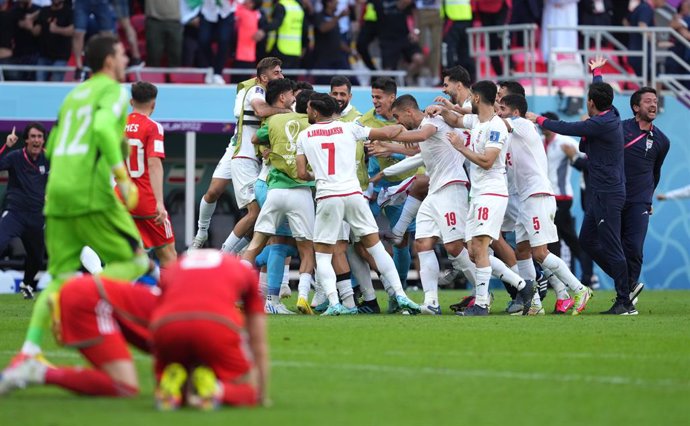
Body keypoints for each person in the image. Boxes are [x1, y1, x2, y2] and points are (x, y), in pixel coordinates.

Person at [3, 35, 150, 372]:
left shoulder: (72, 95)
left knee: (58, 276)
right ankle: (83, 302)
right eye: (122, 53)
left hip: (55, 194)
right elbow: (100, 129)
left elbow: (54, 146)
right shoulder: (112, 91)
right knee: (137, 261)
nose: (127, 58)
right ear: (109, 61)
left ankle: (28, 353)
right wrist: (122, 178)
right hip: (90, 194)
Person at [527, 56, 635, 315]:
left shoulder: (601, 123)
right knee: (586, 240)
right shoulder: (612, 113)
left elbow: (566, 126)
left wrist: (538, 119)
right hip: (600, 192)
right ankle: (627, 282)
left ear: (591, 103)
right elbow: (599, 94)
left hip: (608, 192)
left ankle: (625, 299)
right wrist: (597, 73)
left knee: (610, 244)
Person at [295, 93, 421, 315]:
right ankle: (400, 294)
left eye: (307, 109)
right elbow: (389, 132)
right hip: (354, 194)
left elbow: (301, 172)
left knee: (323, 254)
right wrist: (401, 127)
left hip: (328, 197)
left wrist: (319, 176)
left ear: (314, 111)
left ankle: (335, 304)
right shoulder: (349, 127)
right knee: (376, 248)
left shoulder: (304, 135)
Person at [376, 94, 475, 315]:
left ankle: (485, 292)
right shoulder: (425, 126)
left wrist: (390, 135)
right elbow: (416, 150)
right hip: (435, 192)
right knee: (422, 244)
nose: (397, 123)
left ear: (409, 112)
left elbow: (420, 135)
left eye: (397, 117)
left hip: (452, 187)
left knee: (455, 247)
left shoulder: (432, 120)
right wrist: (388, 145)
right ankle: (431, 302)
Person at [496, 94, 593, 316]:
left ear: (516, 112)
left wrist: (476, 108)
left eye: (502, 108)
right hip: (524, 198)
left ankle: (579, 289)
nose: (498, 112)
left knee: (540, 252)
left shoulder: (523, 126)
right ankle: (536, 305)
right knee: (522, 250)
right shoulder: (508, 134)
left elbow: (495, 121)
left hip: (538, 195)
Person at [0, 275, 159, 397]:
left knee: (124, 384)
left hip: (88, 294)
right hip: (91, 301)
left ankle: (36, 370)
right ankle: (35, 370)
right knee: (125, 385)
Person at [191, 57, 289, 250]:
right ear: (264, 77)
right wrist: (287, 112)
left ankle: (237, 251)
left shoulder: (271, 92)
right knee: (213, 192)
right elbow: (260, 110)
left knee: (258, 212)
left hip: (250, 151)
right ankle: (203, 234)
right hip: (241, 150)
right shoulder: (256, 89)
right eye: (276, 72)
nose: (281, 75)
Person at [151, 250, 268, 409]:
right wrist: (261, 393)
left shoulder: (175, 266)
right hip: (215, 323)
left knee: (178, 372)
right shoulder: (242, 269)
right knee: (247, 389)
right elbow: (258, 340)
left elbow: (157, 309)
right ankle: (215, 389)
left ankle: (172, 392)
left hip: (167, 324)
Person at [618, 85, 670, 302]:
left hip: (639, 202)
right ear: (635, 107)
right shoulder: (619, 129)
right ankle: (626, 288)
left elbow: (655, 173)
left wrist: (647, 198)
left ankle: (627, 294)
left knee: (635, 249)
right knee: (611, 248)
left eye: (655, 101)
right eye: (648, 101)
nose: (653, 104)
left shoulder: (662, 141)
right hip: (615, 198)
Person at [124, 81, 177, 268]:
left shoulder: (117, 125)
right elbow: (154, 163)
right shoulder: (153, 127)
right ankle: (171, 297)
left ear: (131, 102)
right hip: (146, 201)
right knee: (168, 254)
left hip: (121, 199)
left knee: (126, 255)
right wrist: (160, 203)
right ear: (153, 104)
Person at [0, 124, 49, 299]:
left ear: (43, 140)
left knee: (36, 257)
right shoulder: (15, 157)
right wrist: (7, 146)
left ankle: (27, 285)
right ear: (26, 139)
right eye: (33, 136)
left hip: (36, 216)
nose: (36, 140)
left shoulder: (48, 158)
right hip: (15, 213)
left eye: (39, 137)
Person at [34, 0, 74, 82]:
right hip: (44, 55)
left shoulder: (69, 12)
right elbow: (37, 30)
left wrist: (57, 30)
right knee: (39, 83)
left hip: (61, 56)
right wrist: (30, 27)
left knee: (56, 83)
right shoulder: (44, 10)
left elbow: (72, 31)